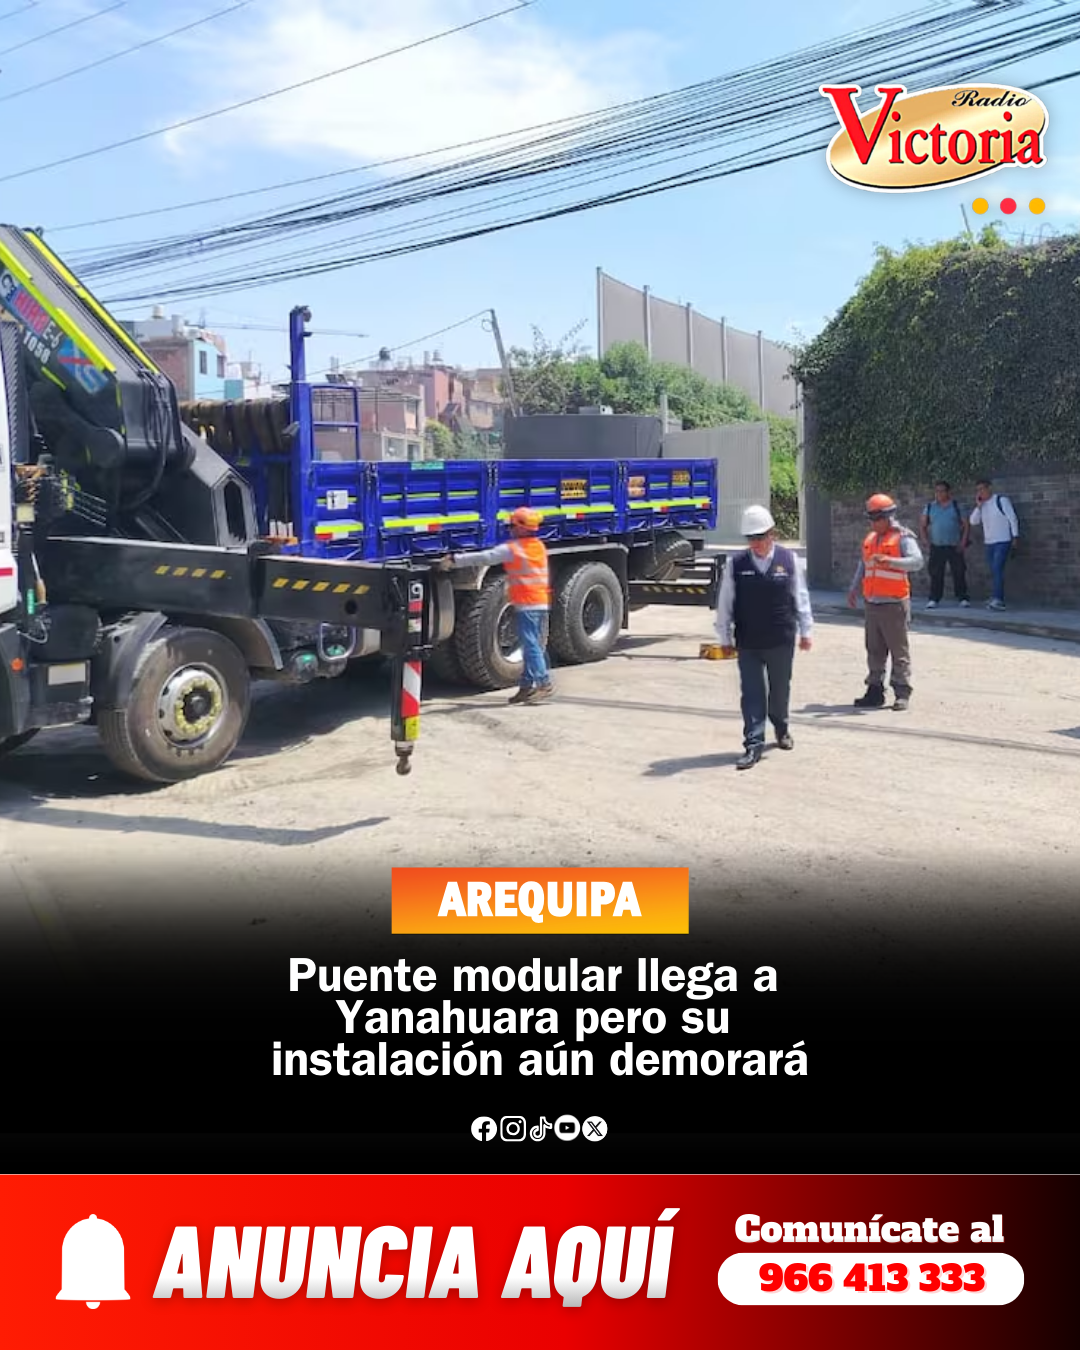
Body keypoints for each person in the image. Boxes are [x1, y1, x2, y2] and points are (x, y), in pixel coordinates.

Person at [715, 504, 813, 771]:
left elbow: (800, 596)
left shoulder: (789, 560)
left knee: (780, 689)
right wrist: (724, 637)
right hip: (748, 641)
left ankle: (781, 727)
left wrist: (806, 631)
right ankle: (753, 743)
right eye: (751, 538)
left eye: (760, 537)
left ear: (773, 534)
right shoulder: (736, 564)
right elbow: (725, 602)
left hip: (781, 638)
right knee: (752, 693)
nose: (756, 543)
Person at [439, 506, 553, 704]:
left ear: (522, 528)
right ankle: (526, 687)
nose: (510, 528)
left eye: (512, 525)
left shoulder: (514, 549)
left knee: (530, 645)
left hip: (528, 604)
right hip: (539, 602)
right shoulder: (538, 546)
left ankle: (543, 683)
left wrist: (454, 560)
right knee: (531, 644)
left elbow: (485, 557)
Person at [847, 493, 924, 711]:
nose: (872, 523)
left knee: (898, 650)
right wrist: (854, 588)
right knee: (874, 650)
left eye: (876, 519)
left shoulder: (903, 538)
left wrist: (891, 561)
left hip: (894, 603)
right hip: (872, 602)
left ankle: (902, 692)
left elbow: (917, 562)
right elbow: (863, 565)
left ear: (888, 517)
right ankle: (874, 690)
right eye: (870, 519)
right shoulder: (871, 539)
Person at [969, 478, 1019, 610]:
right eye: (978, 490)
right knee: (994, 570)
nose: (980, 492)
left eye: (982, 489)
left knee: (997, 568)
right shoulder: (983, 505)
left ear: (989, 488)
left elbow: (1012, 518)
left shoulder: (1001, 500)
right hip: (989, 542)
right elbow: (973, 521)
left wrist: (1015, 537)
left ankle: (998, 599)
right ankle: (996, 596)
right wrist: (978, 506)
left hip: (1003, 541)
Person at [920, 480, 970, 608]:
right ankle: (934, 598)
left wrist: (963, 541)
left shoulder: (956, 506)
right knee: (935, 573)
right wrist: (925, 539)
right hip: (937, 545)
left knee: (959, 571)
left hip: (954, 545)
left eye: (942, 491)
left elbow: (966, 525)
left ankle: (962, 597)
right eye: (937, 491)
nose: (939, 494)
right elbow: (923, 525)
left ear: (948, 492)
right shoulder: (930, 507)